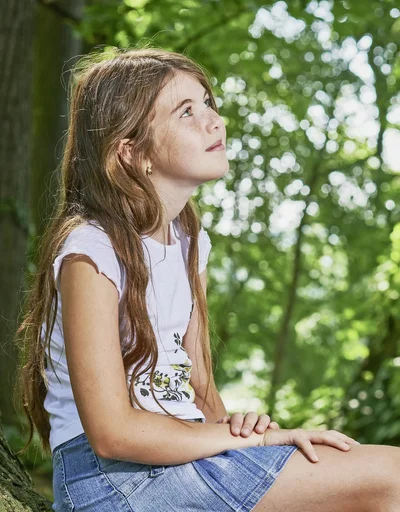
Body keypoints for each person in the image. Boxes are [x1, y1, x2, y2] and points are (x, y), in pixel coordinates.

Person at [15, 47, 400, 511]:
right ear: (132, 152)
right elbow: (112, 434)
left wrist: (247, 431)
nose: (214, 121)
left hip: (179, 458)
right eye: (186, 112)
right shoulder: (91, 250)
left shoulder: (189, 241)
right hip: (113, 482)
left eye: (207, 104)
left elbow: (199, 390)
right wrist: (248, 446)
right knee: (391, 478)